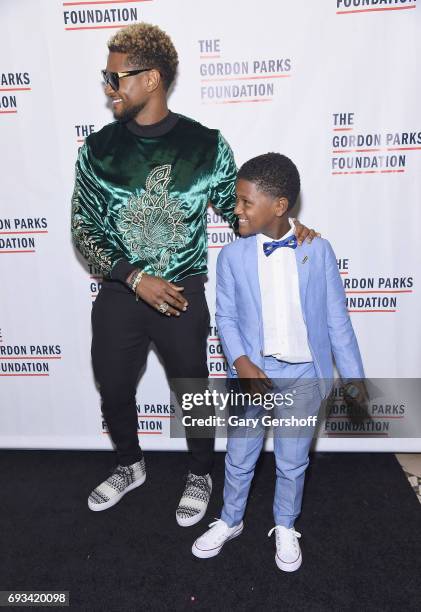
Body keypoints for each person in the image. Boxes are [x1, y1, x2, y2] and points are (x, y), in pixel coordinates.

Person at [71, 23, 317, 526]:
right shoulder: (97, 151)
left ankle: (201, 472)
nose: (109, 86)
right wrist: (135, 277)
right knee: (114, 386)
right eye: (107, 76)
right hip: (122, 290)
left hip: (183, 295)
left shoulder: (205, 145)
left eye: (116, 77)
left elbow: (239, 214)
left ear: (152, 79)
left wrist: (283, 225)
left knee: (193, 391)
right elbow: (83, 229)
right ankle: (129, 463)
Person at [192, 153, 366, 569]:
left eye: (245, 202)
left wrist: (356, 380)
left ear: (280, 206)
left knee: (292, 461)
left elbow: (337, 320)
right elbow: (227, 318)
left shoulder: (316, 249)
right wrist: (241, 361)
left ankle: (285, 525)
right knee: (239, 455)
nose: (236, 209)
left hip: (305, 375)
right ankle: (230, 519)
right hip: (255, 373)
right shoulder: (232, 257)